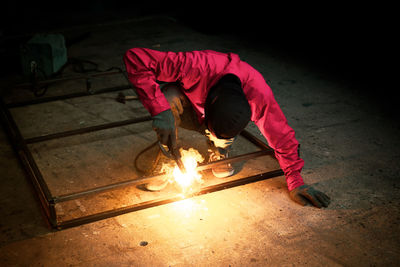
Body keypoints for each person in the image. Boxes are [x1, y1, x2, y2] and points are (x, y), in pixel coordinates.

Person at [123, 48, 330, 208]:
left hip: (216, 114)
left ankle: (220, 147)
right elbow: (135, 57)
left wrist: (295, 179)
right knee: (168, 98)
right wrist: (160, 111)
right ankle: (168, 155)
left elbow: (281, 134)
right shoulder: (196, 66)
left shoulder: (257, 92)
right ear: (209, 102)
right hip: (189, 107)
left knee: (225, 129)